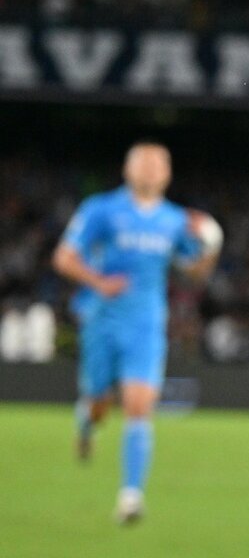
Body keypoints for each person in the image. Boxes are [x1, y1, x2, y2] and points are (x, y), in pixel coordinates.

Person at [51, 141, 222, 524]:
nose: (149, 170)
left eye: (157, 164)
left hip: (146, 323)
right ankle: (86, 420)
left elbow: (193, 274)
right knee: (99, 402)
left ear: (167, 173)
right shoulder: (101, 209)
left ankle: (131, 496)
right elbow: (63, 257)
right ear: (127, 170)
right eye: (142, 163)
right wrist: (99, 282)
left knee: (138, 406)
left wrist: (211, 249)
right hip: (101, 319)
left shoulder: (176, 221)